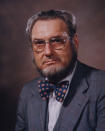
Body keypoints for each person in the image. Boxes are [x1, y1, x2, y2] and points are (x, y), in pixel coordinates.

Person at [15, 10, 105, 131]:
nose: (48, 52)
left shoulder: (101, 85)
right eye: (39, 43)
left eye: (57, 41)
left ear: (75, 42)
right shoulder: (27, 92)